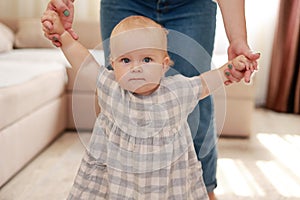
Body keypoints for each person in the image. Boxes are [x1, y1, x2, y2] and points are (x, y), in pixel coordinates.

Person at [43, 1, 260, 199]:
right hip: (120, 183)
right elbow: (83, 61)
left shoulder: (178, 90)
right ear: (113, 64)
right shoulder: (110, 86)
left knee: (200, 113)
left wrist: (232, 68)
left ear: (165, 65)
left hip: (166, 183)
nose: (136, 67)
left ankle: (208, 188)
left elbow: (208, 81)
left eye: (147, 59)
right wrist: (62, 36)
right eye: (125, 60)